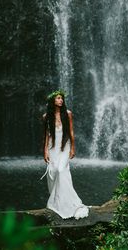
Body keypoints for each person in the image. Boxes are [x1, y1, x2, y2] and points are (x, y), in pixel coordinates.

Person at [39, 89, 89, 220]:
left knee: (61, 171)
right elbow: (46, 135)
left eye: (61, 98)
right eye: (58, 98)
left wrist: (73, 148)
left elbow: (71, 132)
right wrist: (45, 151)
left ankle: (69, 203)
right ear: (52, 101)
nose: (61, 100)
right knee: (54, 172)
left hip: (64, 146)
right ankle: (57, 201)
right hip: (52, 148)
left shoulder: (68, 114)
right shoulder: (46, 117)